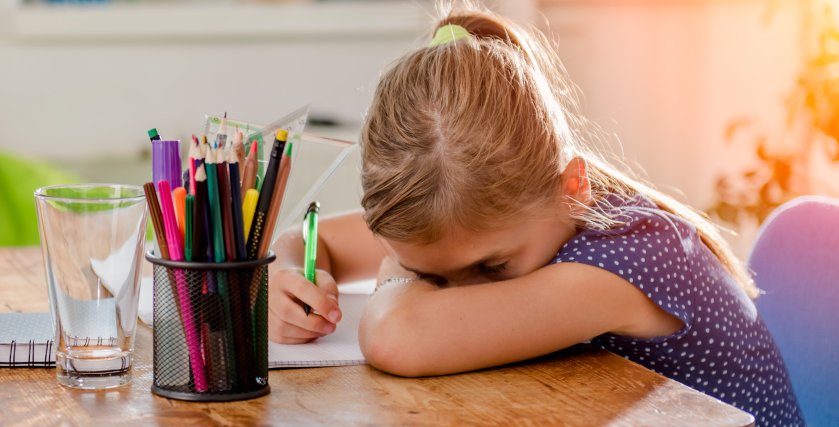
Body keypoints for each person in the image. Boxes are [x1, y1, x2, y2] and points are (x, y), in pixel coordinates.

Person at [266, 2, 804, 426]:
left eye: (492, 269)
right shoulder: (493, 219)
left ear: (574, 187)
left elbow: (396, 336)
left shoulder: (623, 263)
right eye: (434, 272)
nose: (459, 290)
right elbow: (306, 240)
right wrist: (288, 276)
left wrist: (401, 262)